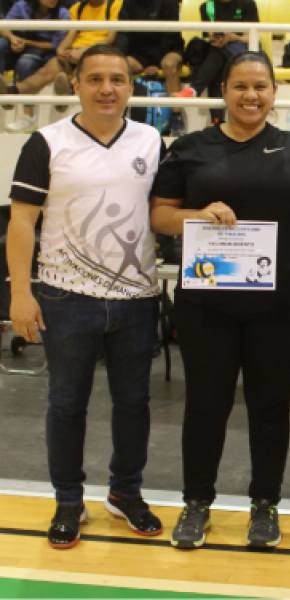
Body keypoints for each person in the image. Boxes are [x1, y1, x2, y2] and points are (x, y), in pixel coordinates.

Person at [150, 51, 290, 550]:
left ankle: (265, 506)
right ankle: (196, 503)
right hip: (208, 304)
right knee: (205, 405)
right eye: (241, 86)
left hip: (279, 305)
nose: (251, 96)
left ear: (274, 92)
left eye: (260, 86)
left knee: (271, 408)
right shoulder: (191, 147)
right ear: (224, 90)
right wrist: (199, 215)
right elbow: (160, 216)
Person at [6, 43, 164, 549]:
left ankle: (125, 493)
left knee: (133, 405)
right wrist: (20, 295)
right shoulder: (47, 142)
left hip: (137, 299)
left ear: (130, 86)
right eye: (95, 79)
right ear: (76, 85)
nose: (106, 88)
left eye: (116, 79)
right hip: (65, 297)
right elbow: (22, 223)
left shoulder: (152, 139)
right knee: (66, 405)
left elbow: (166, 211)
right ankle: (69, 502)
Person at [174, 0, 259, 125]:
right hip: (218, 51)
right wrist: (215, 39)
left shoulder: (247, 4)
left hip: (241, 49)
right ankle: (217, 120)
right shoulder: (206, 7)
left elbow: (252, 38)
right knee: (218, 58)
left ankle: (196, 91)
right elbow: (209, 36)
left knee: (217, 56)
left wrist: (233, 37)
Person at [116, 0, 186, 135]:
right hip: (140, 52)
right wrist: (120, 56)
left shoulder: (169, 2)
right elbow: (123, 33)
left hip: (168, 48)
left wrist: (155, 62)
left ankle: (176, 117)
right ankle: (119, 114)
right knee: (120, 66)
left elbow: (171, 34)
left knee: (169, 65)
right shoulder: (128, 3)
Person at [0, 0, 71, 132]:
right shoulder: (22, 6)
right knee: (1, 44)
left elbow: (55, 45)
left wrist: (25, 43)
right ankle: (3, 92)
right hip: (20, 46)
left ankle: (28, 116)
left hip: (46, 53)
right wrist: (12, 38)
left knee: (25, 63)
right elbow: (3, 25)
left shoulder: (63, 14)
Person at [57, 0, 122, 70]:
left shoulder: (115, 5)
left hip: (100, 51)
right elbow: (70, 36)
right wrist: (60, 49)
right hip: (74, 51)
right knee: (50, 69)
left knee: (82, 70)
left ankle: (71, 79)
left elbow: (110, 39)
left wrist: (85, 51)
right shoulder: (77, 7)